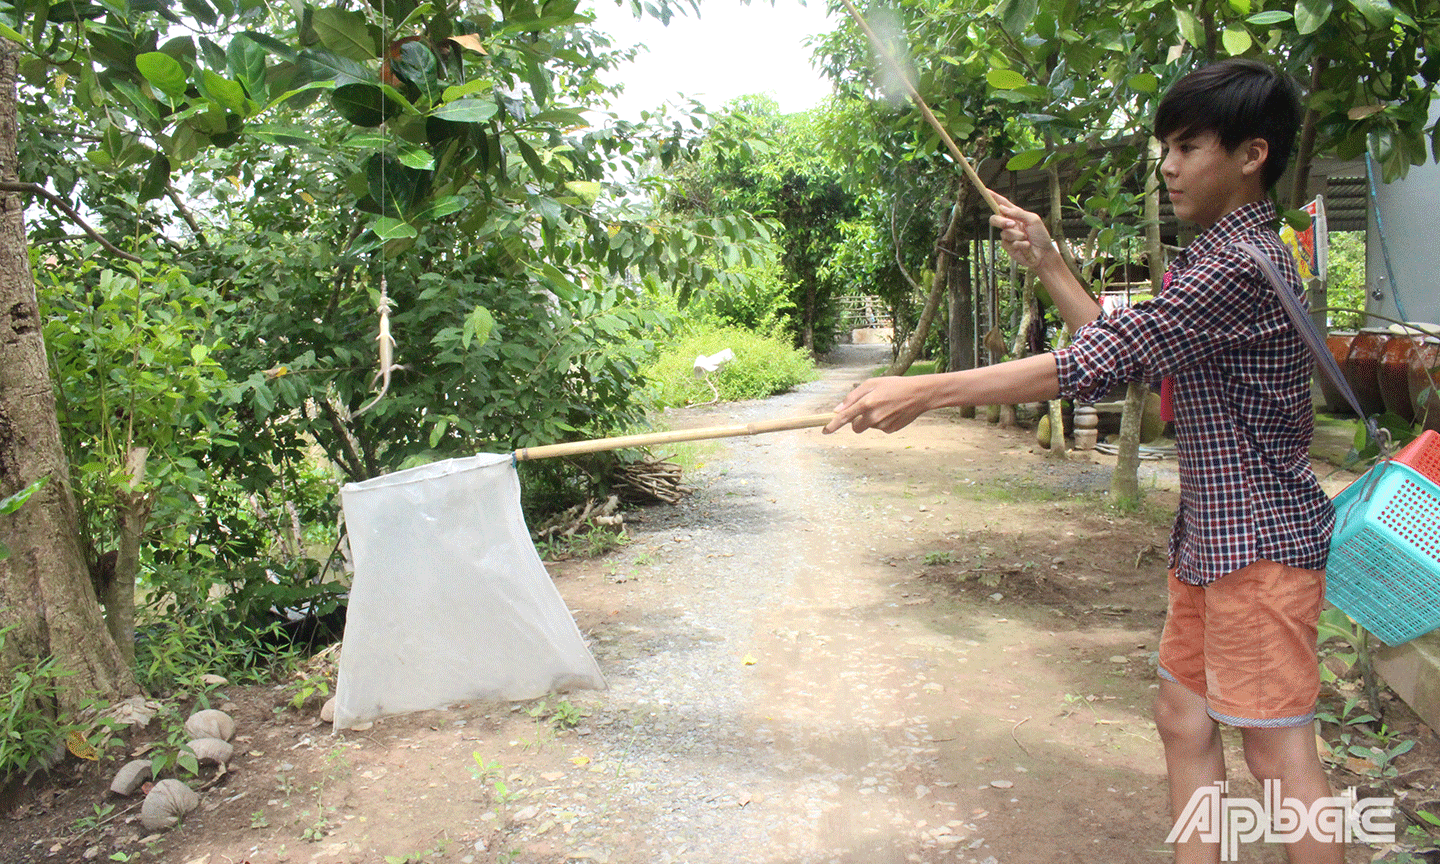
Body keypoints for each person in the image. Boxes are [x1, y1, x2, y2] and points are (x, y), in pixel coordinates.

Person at [823, 59, 1340, 864]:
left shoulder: (1240, 266)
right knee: (1183, 719)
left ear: (1252, 155)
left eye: (1189, 145)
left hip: (1262, 549)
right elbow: (1129, 349)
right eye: (1164, 145)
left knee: (1277, 753)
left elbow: (1094, 363)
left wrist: (925, 391)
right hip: (1214, 542)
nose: (1167, 166)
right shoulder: (1214, 257)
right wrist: (1050, 263)